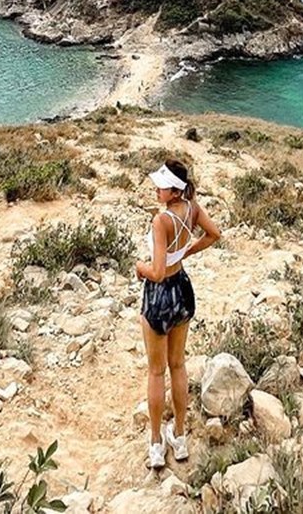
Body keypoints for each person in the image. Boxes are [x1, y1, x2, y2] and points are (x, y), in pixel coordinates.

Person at [135, 158, 221, 470]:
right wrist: (185, 253)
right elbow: (214, 234)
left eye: (162, 185)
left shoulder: (162, 221)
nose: (156, 189)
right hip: (183, 288)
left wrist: (138, 268)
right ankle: (180, 438)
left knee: (157, 372)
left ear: (173, 190)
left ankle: (156, 444)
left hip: (159, 296)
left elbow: (156, 272)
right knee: (178, 365)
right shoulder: (192, 209)